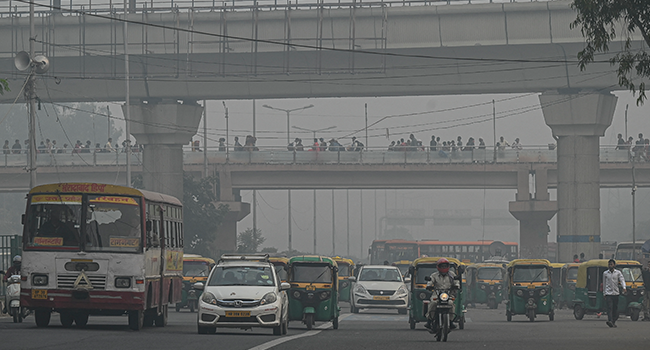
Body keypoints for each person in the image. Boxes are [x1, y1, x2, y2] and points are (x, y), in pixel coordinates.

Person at [425, 258, 460, 332]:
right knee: (433, 303)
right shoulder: (434, 275)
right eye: (442, 266)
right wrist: (429, 286)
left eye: (445, 266)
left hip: (448, 294)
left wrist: (456, 286)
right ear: (438, 267)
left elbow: (456, 281)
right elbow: (430, 282)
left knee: (451, 304)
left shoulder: (452, 275)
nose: (444, 268)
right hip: (437, 294)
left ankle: (450, 321)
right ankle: (429, 320)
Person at [603, 259, 626, 327]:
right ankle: (610, 320)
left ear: (614, 265)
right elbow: (604, 283)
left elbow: (622, 280)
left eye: (611, 264)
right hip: (608, 293)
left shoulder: (618, 273)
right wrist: (604, 293)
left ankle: (613, 321)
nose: (610, 266)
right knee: (609, 307)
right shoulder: (605, 273)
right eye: (609, 264)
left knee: (615, 309)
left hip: (616, 293)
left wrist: (624, 287)